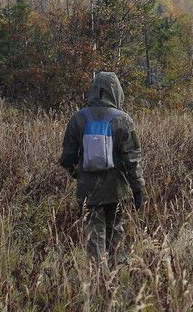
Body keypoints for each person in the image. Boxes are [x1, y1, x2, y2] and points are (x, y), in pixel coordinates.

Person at [59, 71, 145, 263]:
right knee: (116, 230)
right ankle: (117, 276)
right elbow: (133, 159)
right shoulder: (123, 119)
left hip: (88, 189)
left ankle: (98, 280)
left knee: (93, 235)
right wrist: (138, 188)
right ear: (116, 92)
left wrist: (77, 174)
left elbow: (67, 157)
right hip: (117, 189)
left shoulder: (78, 118)